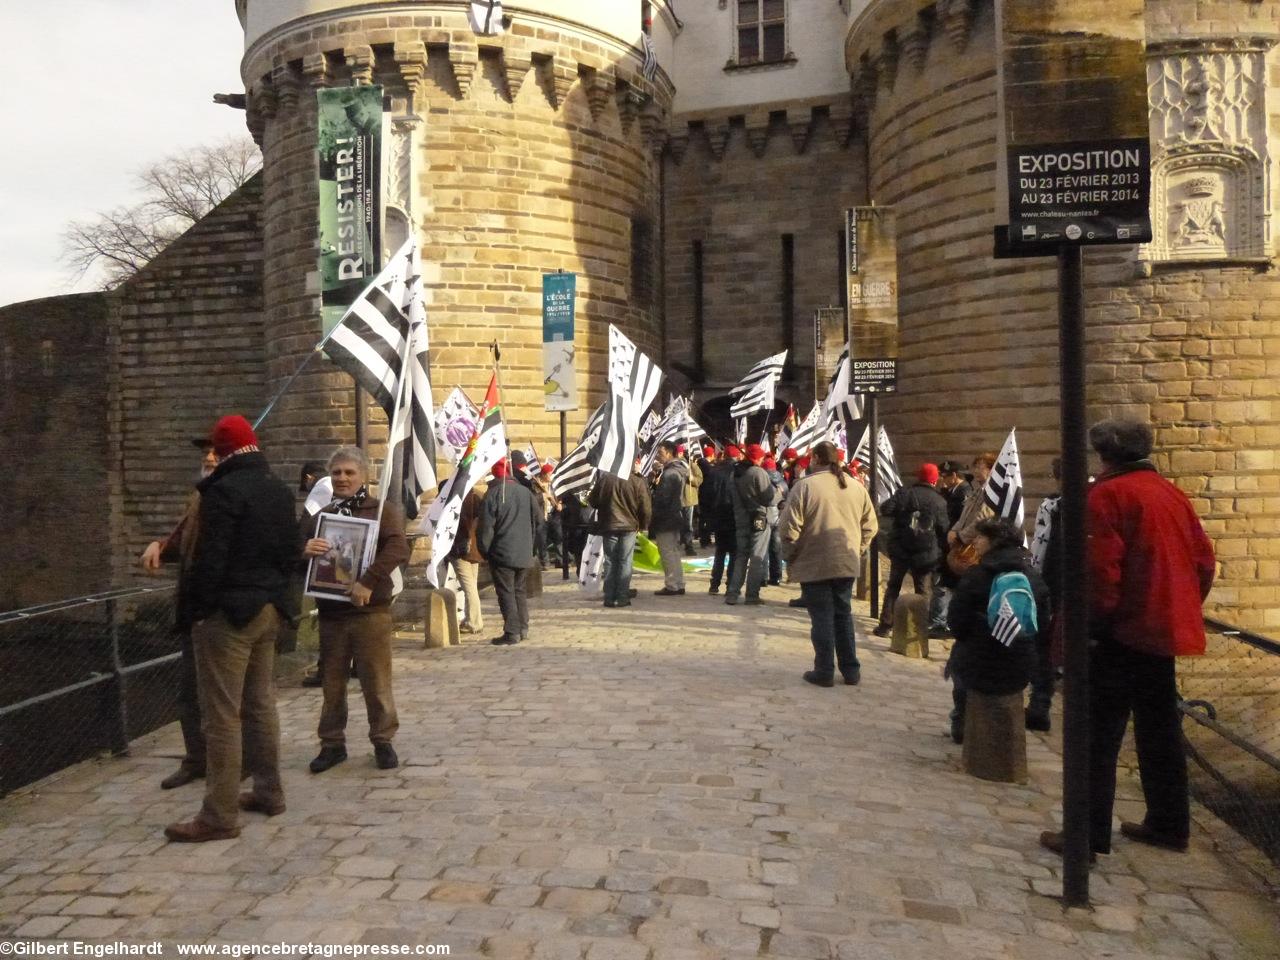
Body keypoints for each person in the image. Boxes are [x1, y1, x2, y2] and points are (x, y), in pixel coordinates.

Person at [1041, 420, 1215, 860]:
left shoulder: (1106, 496)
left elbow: (1100, 574)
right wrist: (1177, 606)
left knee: (1096, 735)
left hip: (1120, 632)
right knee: (1160, 730)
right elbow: (1204, 562)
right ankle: (1169, 822)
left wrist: (1091, 629)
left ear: (1105, 455)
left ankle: (1087, 833)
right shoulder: (1172, 494)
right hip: (1161, 629)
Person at [164, 415, 298, 843]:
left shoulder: (222, 492)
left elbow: (210, 561)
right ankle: (269, 791)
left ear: (221, 452)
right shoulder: (277, 488)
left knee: (220, 716)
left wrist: (197, 612)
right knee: (260, 705)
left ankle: (219, 815)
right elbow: (289, 552)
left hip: (228, 617)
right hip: (267, 610)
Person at [302, 446, 409, 774]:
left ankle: (382, 740)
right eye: (337, 473)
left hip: (370, 612)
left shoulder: (382, 511)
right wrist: (304, 550)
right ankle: (332, 744)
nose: (343, 478)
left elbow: (398, 548)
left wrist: (368, 581)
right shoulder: (321, 517)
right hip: (332, 613)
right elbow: (296, 554)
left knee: (375, 681)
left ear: (364, 476)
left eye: (349, 472)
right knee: (332, 683)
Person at [139, 438, 219, 789]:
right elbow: (186, 543)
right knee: (188, 693)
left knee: (225, 697)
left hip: (218, 611)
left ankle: (231, 762)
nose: (209, 457)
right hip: (191, 610)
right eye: (206, 454)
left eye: (217, 452)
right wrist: (160, 546)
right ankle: (196, 758)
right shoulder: (198, 497)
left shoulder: (228, 499)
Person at [946, 519, 1049, 772]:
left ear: (994, 542)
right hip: (1020, 664)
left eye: (980, 538)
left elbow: (956, 622)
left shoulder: (977, 576)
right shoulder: (1034, 578)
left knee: (960, 652)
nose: (974, 542)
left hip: (979, 663)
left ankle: (961, 720)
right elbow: (1043, 625)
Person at [780, 441, 878, 687]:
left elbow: (788, 528)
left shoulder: (805, 487)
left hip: (814, 560)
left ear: (815, 458)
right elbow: (871, 526)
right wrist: (857, 549)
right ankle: (850, 669)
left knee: (822, 616)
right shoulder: (856, 487)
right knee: (843, 614)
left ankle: (824, 670)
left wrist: (791, 555)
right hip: (845, 561)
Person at [873, 463, 950, 637]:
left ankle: (886, 625)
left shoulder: (905, 493)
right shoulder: (939, 500)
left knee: (893, 586)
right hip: (925, 551)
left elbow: (886, 509)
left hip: (901, 548)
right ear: (934, 480)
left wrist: (903, 513)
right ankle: (919, 629)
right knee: (922, 591)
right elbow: (943, 528)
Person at [478, 459, 540, 644]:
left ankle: (512, 631)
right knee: (519, 590)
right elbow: (538, 520)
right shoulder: (525, 492)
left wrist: (485, 550)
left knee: (506, 591)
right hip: (523, 550)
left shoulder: (493, 493)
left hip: (502, 551)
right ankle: (523, 627)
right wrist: (531, 544)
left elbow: (486, 527)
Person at [1025, 457, 1063, 731]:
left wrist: (1034, 579)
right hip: (1089, 589)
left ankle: (1040, 705)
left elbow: (1040, 546)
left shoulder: (1052, 506)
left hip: (1054, 582)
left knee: (1045, 647)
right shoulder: (1097, 498)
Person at [589, 464, 652, 608]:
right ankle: (622, 596)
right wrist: (643, 525)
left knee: (610, 560)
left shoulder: (605, 479)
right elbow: (645, 507)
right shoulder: (636, 481)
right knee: (625, 561)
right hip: (629, 525)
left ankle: (610, 597)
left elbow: (593, 501)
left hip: (609, 524)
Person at [726, 444, 778, 606]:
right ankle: (752, 595)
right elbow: (768, 498)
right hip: (759, 518)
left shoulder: (734, 473)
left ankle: (732, 593)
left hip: (740, 519)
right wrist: (779, 494)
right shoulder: (758, 472)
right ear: (758, 458)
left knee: (741, 557)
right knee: (757, 557)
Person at [928, 460, 971, 635]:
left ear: (954, 476)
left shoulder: (964, 493)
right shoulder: (949, 492)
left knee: (947, 585)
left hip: (957, 545)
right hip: (946, 543)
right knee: (944, 583)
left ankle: (941, 622)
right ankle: (941, 620)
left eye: (944, 476)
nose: (942, 480)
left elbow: (961, 519)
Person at [649, 441, 688, 596]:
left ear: (670, 452)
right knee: (673, 551)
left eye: (661, 452)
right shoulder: (676, 470)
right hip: (674, 515)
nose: (658, 455)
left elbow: (662, 498)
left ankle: (672, 584)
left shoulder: (670, 473)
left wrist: (653, 491)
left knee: (667, 552)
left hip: (666, 517)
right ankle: (678, 583)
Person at [450, 482, 487, 634]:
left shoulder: (456, 502)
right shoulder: (477, 498)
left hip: (462, 549)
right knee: (472, 586)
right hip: (475, 550)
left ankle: (474, 622)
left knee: (469, 587)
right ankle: (471, 618)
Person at [704, 447, 739, 595]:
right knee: (734, 553)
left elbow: (706, 495)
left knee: (720, 552)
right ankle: (730, 585)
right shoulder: (738, 472)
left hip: (718, 516)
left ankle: (714, 584)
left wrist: (707, 515)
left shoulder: (714, 471)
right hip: (733, 516)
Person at [763, 456, 789, 586]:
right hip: (779, 517)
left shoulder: (763, 480)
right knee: (776, 549)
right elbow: (787, 499)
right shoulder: (783, 482)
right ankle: (776, 576)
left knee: (763, 548)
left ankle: (762, 577)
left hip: (765, 515)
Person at [679, 446, 702, 556]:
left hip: (688, 498)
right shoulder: (672, 465)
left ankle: (689, 546)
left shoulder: (691, 465)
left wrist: (692, 479)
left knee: (688, 524)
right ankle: (679, 542)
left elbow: (699, 479)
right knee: (678, 523)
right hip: (676, 499)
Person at [696, 445, 717, 547]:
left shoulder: (699, 466)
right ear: (712, 455)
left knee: (703, 518)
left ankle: (703, 539)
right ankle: (705, 539)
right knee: (708, 519)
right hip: (709, 495)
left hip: (702, 495)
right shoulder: (709, 468)